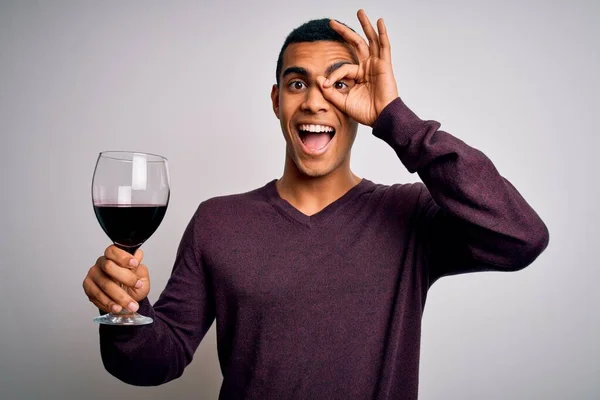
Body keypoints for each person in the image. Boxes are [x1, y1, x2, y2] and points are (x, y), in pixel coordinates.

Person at [82, 9, 549, 400]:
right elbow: (156, 361)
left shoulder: (410, 217)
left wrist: (395, 117)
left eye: (339, 85)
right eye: (298, 84)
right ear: (276, 100)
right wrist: (125, 309)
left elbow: (521, 236)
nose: (316, 102)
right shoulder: (218, 221)